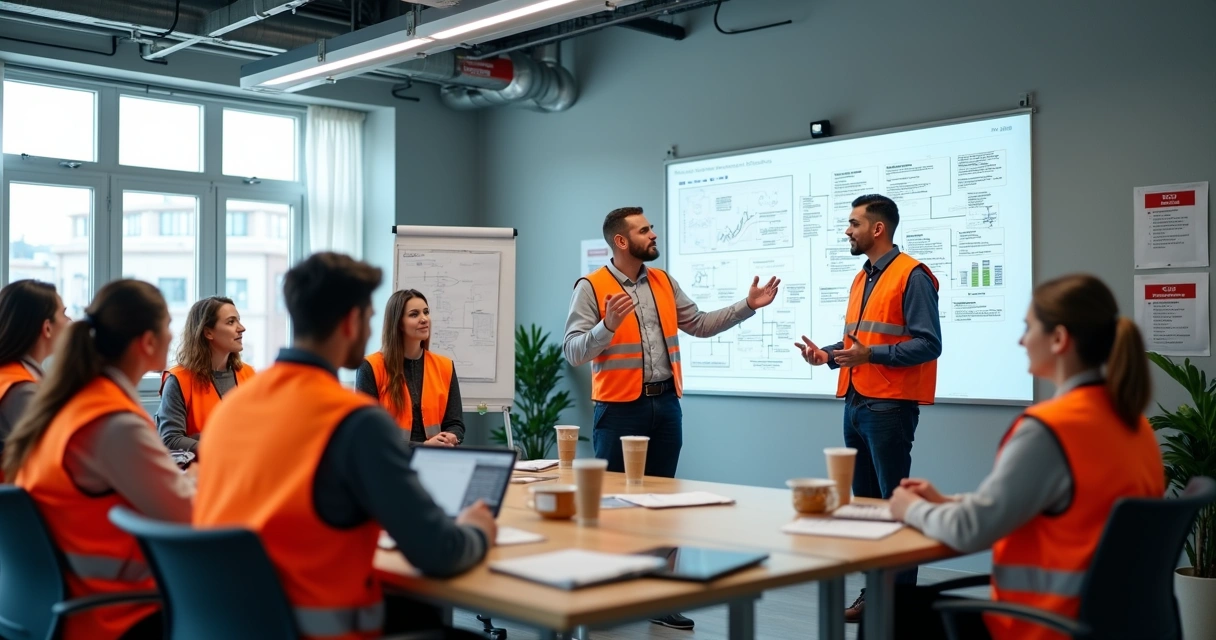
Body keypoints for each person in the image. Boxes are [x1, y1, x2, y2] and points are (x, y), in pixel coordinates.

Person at [194, 253, 494, 640]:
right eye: (370, 318)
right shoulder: (354, 420)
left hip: (233, 623)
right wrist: (477, 529)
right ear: (352, 322)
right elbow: (440, 552)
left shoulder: (232, 408)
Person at [883, 274, 1165, 640]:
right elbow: (1067, 509)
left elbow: (970, 531)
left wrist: (910, 509)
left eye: (1028, 327)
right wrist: (951, 501)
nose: (1021, 340)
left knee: (891, 613)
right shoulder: (1135, 424)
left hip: (1045, 628)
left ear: (1060, 339)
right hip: (1116, 626)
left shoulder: (1049, 429)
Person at [564, 206, 780, 632]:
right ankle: (609, 595)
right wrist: (606, 326)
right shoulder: (592, 287)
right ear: (621, 241)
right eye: (645, 230)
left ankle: (658, 596)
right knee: (614, 505)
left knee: (661, 505)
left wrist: (747, 306)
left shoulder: (662, 281)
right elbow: (573, 351)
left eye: (652, 228)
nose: (654, 234)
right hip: (618, 410)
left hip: (665, 406)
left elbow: (698, 324)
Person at [3, 280, 194, 640]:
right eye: (168, 324)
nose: (173, 335)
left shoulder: (75, 403)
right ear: (148, 341)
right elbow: (189, 517)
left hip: (59, 602)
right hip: (115, 613)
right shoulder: (112, 421)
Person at [795, 193, 941, 619]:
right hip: (857, 402)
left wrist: (869, 356)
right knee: (867, 508)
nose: (847, 230)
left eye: (853, 223)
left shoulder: (911, 275)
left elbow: (928, 344)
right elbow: (862, 342)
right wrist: (827, 354)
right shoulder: (864, 276)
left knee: (896, 508)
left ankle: (899, 604)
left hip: (890, 407)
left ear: (878, 229)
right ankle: (875, 595)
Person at [356, 289, 463, 447]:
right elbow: (367, 433)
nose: (424, 319)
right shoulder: (370, 367)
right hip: (390, 464)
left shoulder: (444, 366)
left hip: (436, 462)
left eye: (426, 312)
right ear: (398, 323)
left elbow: (455, 423)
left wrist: (452, 436)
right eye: (414, 314)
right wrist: (423, 447)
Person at [156, 296, 255, 459]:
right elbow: (170, 439)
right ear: (208, 332)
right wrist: (222, 448)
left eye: (239, 320)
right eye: (231, 322)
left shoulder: (249, 374)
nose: (241, 328)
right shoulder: (179, 379)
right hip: (201, 475)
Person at [0, 279, 69, 478]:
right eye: (63, 314)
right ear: (47, 328)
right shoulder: (21, 389)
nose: (70, 321)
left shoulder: (13, 374)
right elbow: (60, 456)